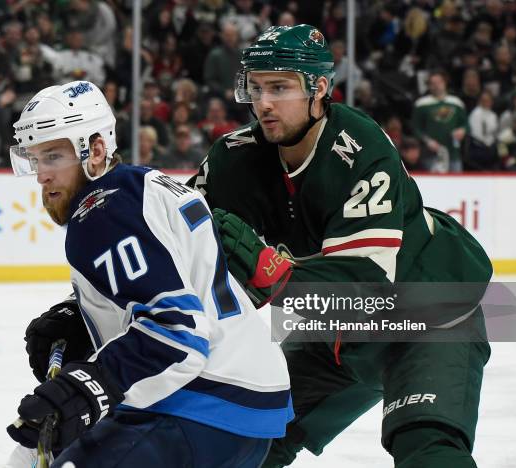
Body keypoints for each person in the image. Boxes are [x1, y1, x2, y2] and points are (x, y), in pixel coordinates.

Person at [188, 25, 492, 468]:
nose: (264, 103)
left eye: (280, 87)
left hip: (430, 312)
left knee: (427, 448)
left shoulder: (360, 147)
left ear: (320, 89)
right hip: (334, 335)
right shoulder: (233, 159)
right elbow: (172, 244)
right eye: (256, 88)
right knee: (244, 439)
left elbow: (365, 287)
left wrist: (270, 275)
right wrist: (81, 313)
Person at [5, 80, 292, 467]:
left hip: (201, 405)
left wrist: (89, 385)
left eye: (54, 156)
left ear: (97, 149)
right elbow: (172, 285)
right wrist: (82, 314)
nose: (42, 175)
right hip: (245, 411)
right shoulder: (145, 187)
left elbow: (178, 332)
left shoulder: (99, 210)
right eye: (35, 159)